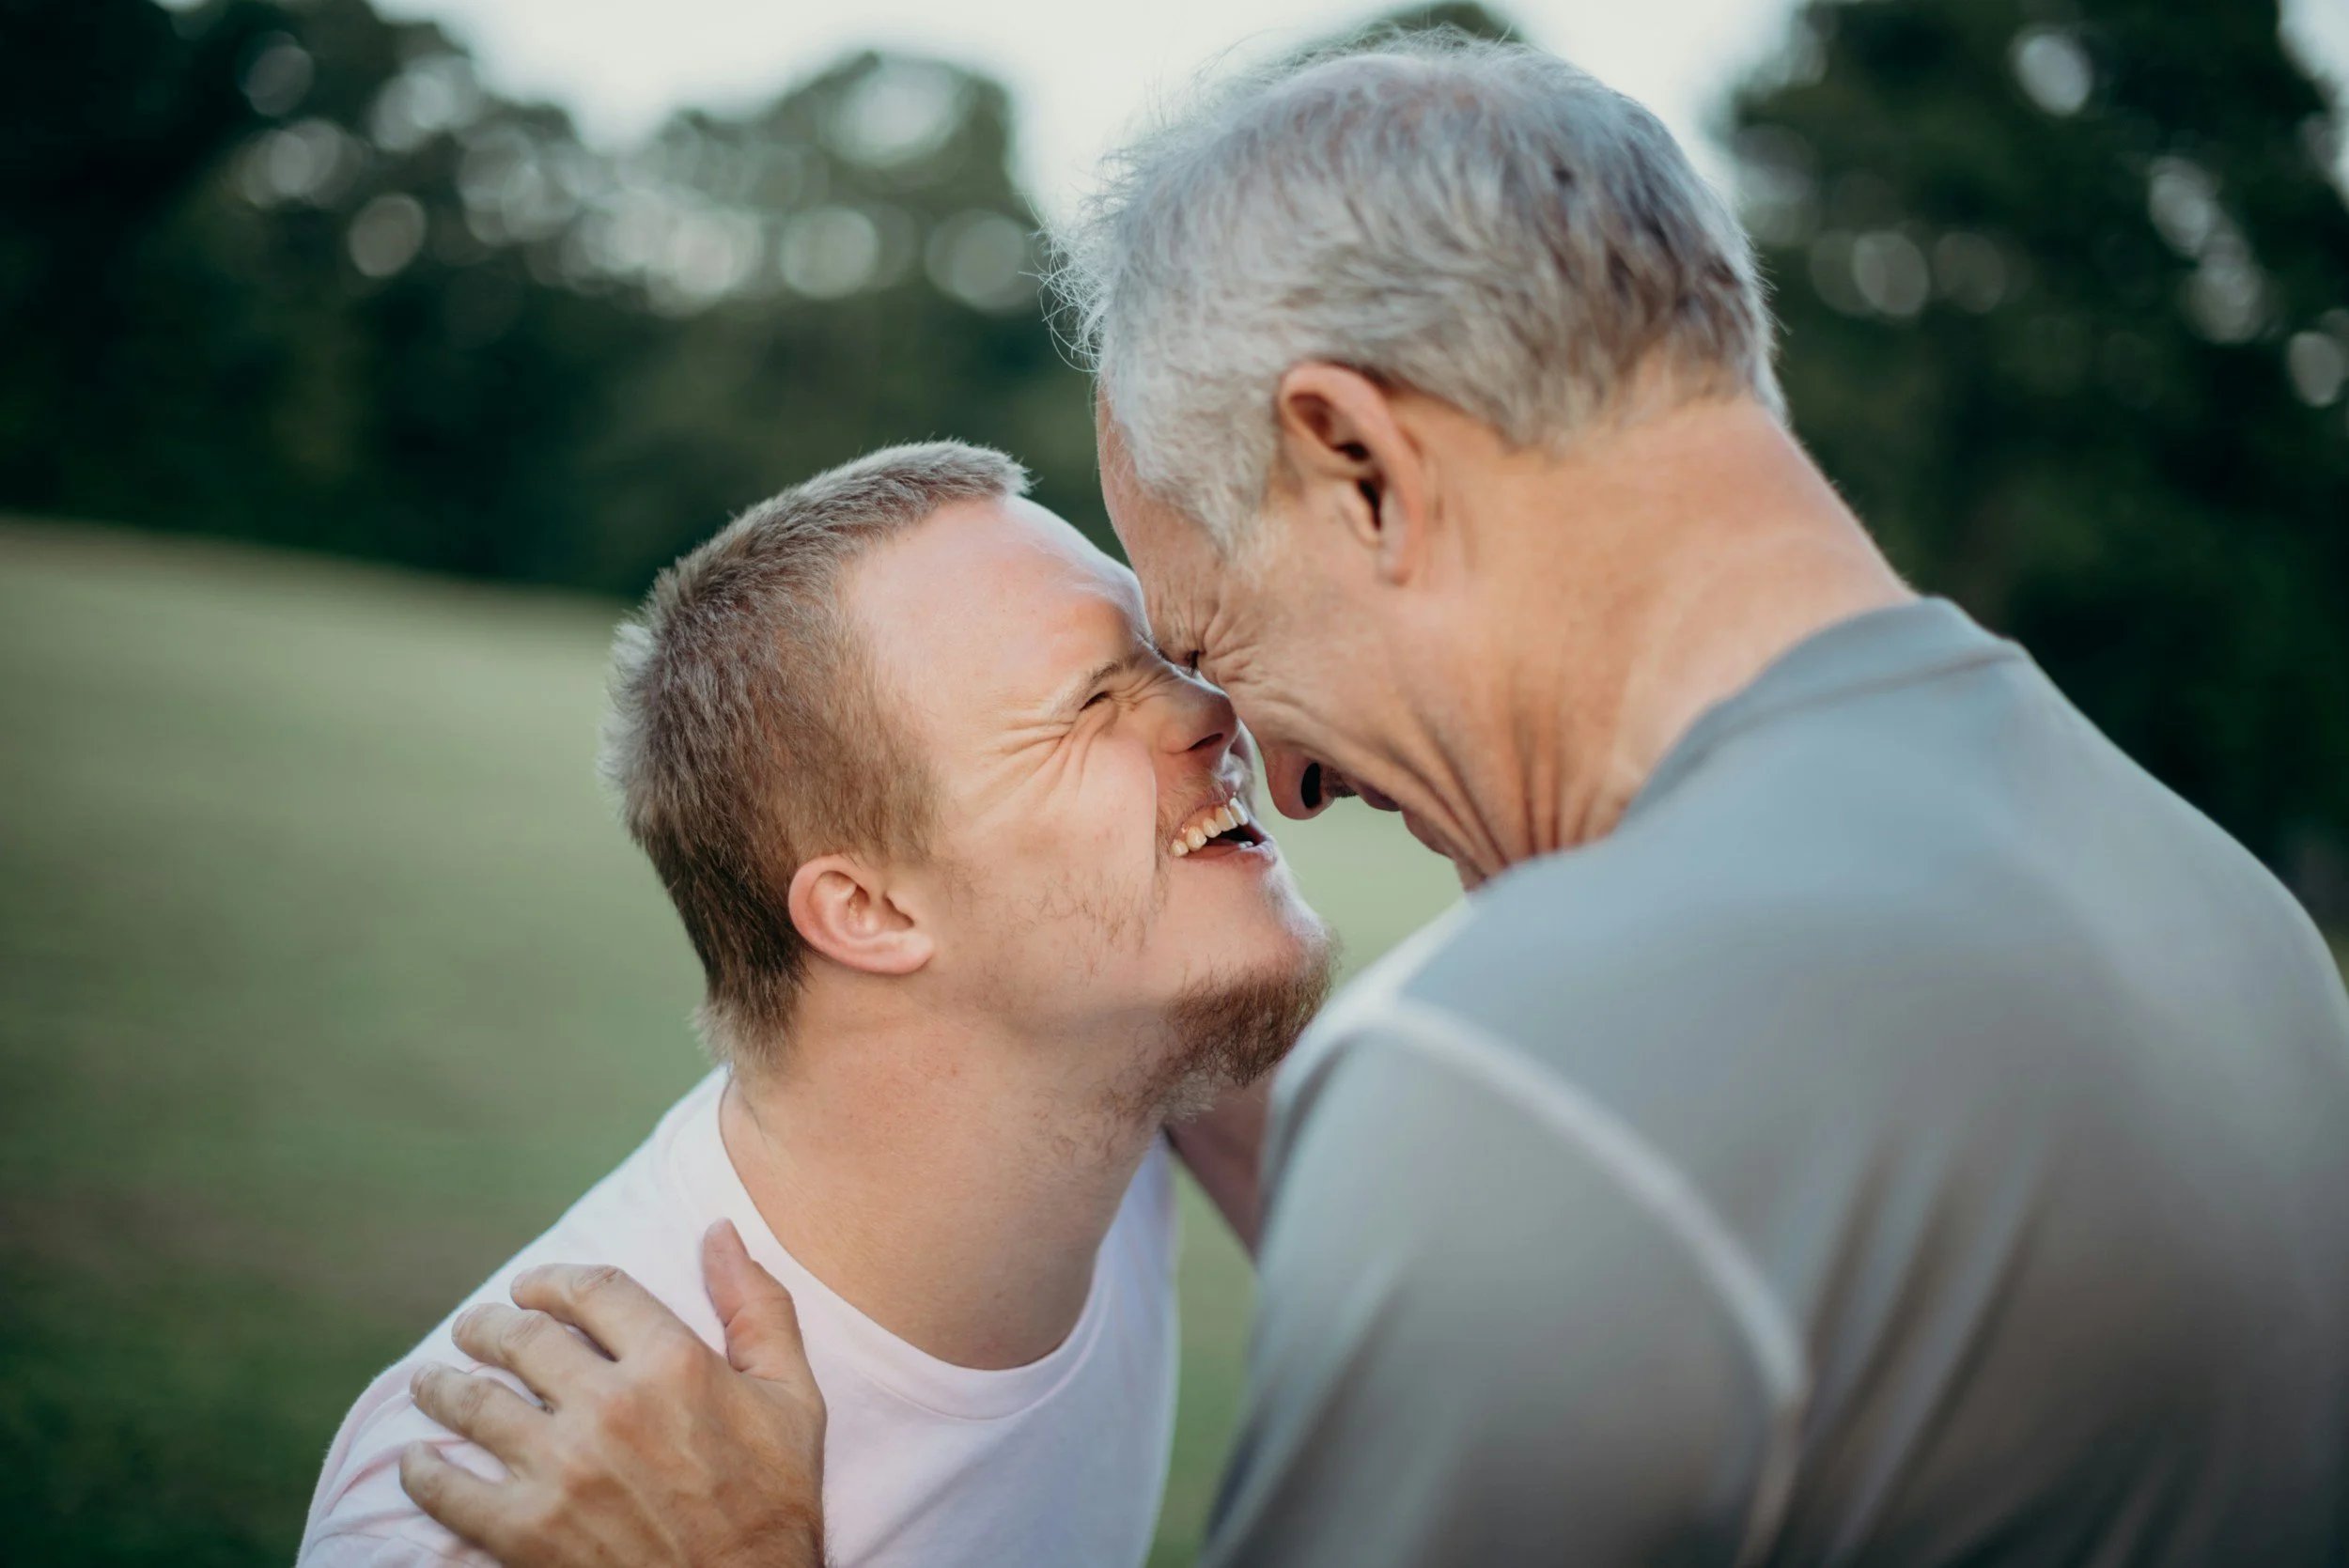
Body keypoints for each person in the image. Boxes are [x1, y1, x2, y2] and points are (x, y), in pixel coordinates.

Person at [399, 33, 2349, 1567]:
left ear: (1354, 465)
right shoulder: (2216, 911)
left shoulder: (1546, 1079)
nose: (1281, 766)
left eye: (1211, 635)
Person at [301, 442, 1331, 1567]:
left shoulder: (1130, 1053)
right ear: (868, 910)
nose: (1214, 707)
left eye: (1168, 652)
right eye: (1092, 702)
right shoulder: (506, 1497)